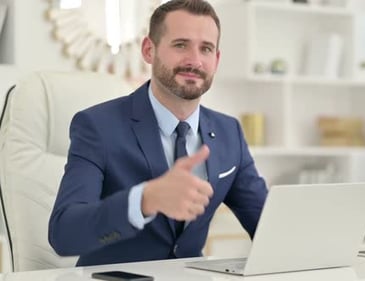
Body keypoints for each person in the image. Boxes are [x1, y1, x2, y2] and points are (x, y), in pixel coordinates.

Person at [48, 0, 268, 266]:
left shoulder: (229, 132)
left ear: (216, 60)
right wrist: (146, 199)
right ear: (149, 50)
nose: (195, 60)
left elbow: (268, 226)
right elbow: (64, 234)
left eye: (206, 49)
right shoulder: (97, 126)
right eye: (180, 45)